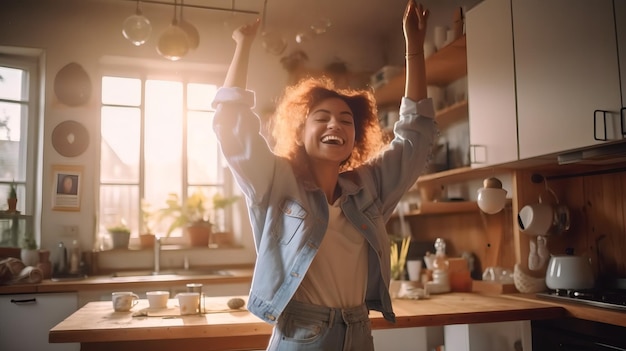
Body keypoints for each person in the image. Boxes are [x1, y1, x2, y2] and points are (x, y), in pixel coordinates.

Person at [211, 1, 434, 349]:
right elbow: (232, 127)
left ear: (354, 139)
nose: (336, 124)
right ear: (301, 131)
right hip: (302, 335)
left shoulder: (367, 186)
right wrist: (243, 45)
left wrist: (415, 49)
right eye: (322, 117)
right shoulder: (274, 178)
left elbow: (414, 139)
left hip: (359, 331)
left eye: (346, 120)